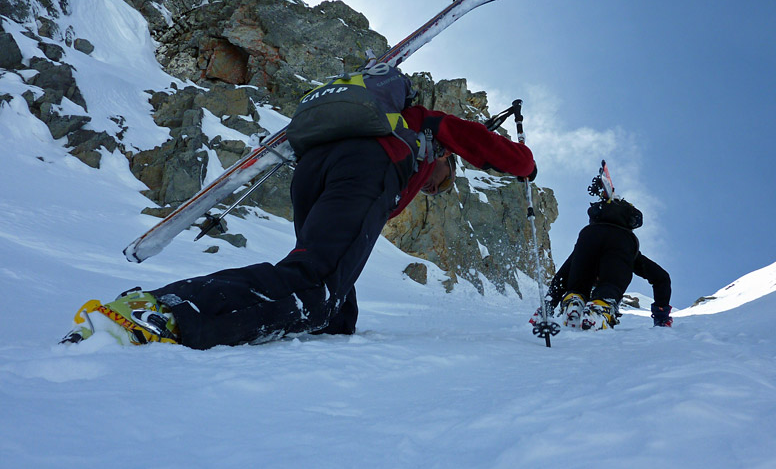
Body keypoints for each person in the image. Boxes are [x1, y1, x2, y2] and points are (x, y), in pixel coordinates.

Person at [81, 80, 536, 349]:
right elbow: (482, 143)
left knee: (329, 300)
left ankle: (321, 325)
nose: (431, 189)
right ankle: (163, 312)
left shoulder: (374, 123)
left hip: (313, 173)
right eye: (438, 182)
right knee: (313, 284)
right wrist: (525, 164)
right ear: (442, 161)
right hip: (367, 167)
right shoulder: (422, 125)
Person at [532, 195, 672, 332]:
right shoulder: (627, 242)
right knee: (611, 284)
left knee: (578, 283)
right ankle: (600, 306)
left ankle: (574, 300)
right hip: (622, 242)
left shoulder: (590, 233)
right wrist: (661, 317)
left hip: (588, 237)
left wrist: (547, 307)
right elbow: (661, 277)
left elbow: (563, 275)